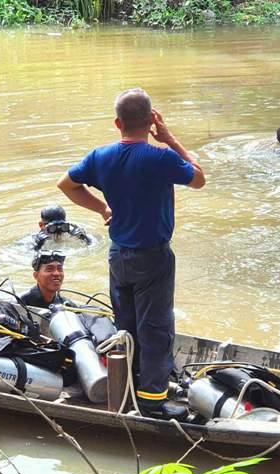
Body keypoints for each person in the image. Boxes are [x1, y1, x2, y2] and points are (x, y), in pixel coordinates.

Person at [56, 88, 205, 420]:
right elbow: (198, 178)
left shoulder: (100, 156)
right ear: (152, 120)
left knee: (126, 325)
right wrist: (169, 139)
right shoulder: (160, 157)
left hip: (118, 257)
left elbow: (66, 184)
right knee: (156, 328)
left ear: (117, 123)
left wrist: (102, 209)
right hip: (153, 257)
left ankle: (129, 385)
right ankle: (152, 400)